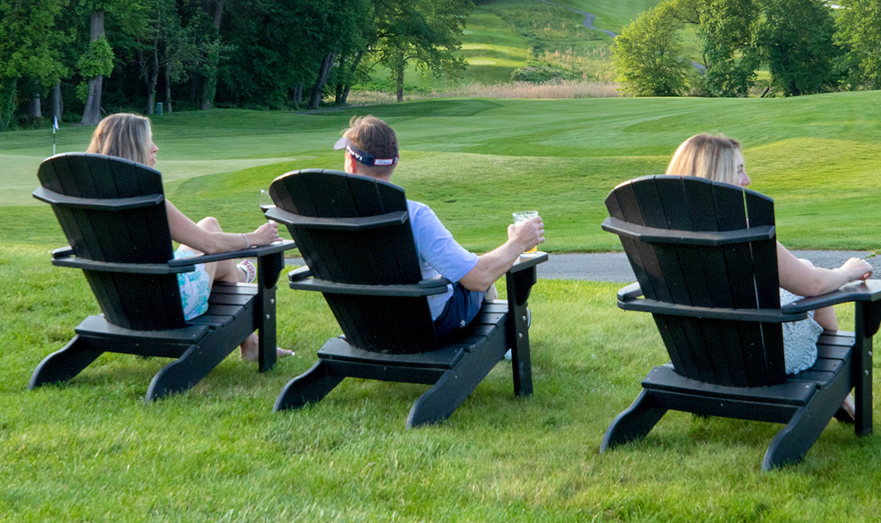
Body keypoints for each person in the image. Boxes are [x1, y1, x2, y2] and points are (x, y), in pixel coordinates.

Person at [664, 133, 875, 377]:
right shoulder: (740, 231)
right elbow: (814, 284)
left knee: (804, 266)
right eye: (738, 170)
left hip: (697, 357)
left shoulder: (662, 230)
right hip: (759, 360)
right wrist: (847, 271)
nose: (747, 180)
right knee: (814, 282)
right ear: (715, 177)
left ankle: (838, 389)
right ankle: (836, 381)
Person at [87, 112, 284, 361]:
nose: (155, 147)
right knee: (215, 243)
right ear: (132, 148)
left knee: (210, 225)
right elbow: (208, 244)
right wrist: (255, 238)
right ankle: (242, 281)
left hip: (122, 303)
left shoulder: (90, 196)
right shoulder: (147, 199)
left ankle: (250, 338)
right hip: (166, 305)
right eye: (149, 141)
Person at [333, 116, 544, 340]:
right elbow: (479, 278)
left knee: (463, 269)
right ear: (396, 160)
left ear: (351, 163)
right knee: (476, 278)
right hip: (425, 327)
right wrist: (518, 242)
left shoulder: (325, 214)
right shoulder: (415, 216)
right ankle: (510, 331)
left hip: (364, 327)